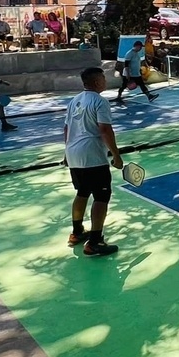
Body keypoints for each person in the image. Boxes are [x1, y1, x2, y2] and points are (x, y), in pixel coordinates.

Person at [64, 66, 121, 257]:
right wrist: (116, 155)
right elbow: (105, 130)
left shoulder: (74, 101)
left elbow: (67, 129)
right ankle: (95, 241)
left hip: (73, 155)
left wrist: (66, 153)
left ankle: (77, 232)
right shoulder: (100, 102)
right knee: (101, 197)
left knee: (82, 192)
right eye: (103, 79)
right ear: (97, 82)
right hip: (93, 157)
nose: (105, 81)